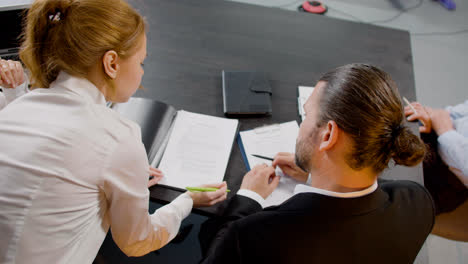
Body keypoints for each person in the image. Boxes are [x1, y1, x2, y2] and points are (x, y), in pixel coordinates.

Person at [0, 1, 227, 263]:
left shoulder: (15, 109)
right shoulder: (118, 138)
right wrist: (188, 200)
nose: (142, 72)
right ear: (111, 63)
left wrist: (121, 176)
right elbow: (138, 241)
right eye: (141, 62)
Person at [199, 64, 435, 264]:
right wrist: (317, 171)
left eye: (307, 115)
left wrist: (248, 199)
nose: (303, 125)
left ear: (328, 135)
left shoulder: (253, 237)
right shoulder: (418, 203)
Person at [405, 99, 468, 241]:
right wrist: (429, 115)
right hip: (437, 134)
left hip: (446, 181)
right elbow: (452, 112)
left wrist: (444, 130)